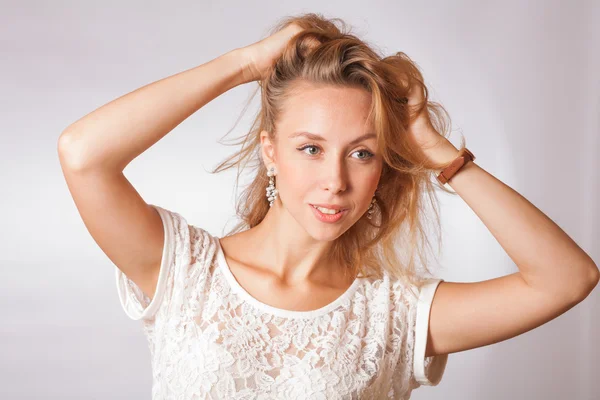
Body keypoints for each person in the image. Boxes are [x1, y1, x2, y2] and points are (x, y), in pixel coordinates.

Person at [57, 12, 599, 400]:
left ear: (383, 166)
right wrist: (244, 64)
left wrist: (441, 155)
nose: (336, 180)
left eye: (362, 153)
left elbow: (567, 278)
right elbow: (82, 155)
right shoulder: (184, 271)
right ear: (270, 150)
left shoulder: (393, 316)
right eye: (310, 148)